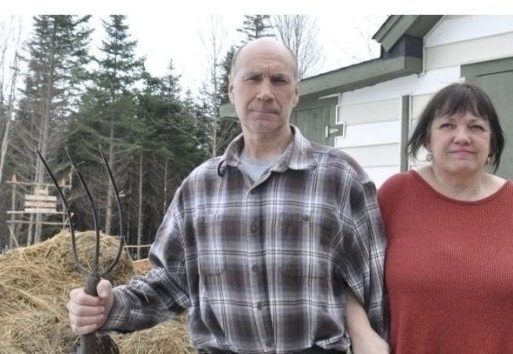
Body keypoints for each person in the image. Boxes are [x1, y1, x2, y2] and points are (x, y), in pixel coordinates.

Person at [66, 37, 388, 354]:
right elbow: (169, 284)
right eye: (253, 78)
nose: (265, 92)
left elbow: (373, 289)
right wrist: (110, 307)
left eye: (278, 80)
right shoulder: (199, 188)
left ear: (296, 93)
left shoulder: (341, 178)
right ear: (232, 89)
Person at [355, 82, 513, 353]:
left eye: (476, 127)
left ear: (491, 141)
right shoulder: (395, 195)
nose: (462, 137)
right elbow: (351, 277)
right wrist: (362, 335)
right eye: (447, 125)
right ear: (427, 139)